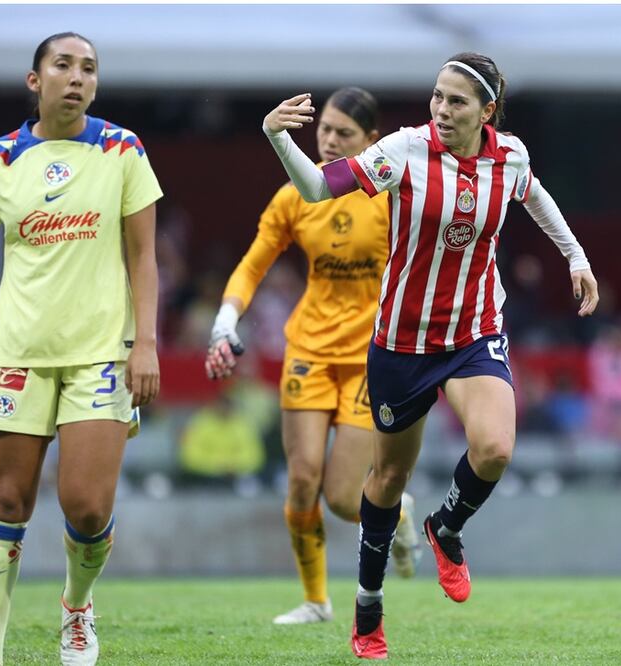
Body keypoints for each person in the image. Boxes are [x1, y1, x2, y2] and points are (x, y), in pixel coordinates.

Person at [261, 52, 600, 659]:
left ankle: (445, 528)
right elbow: (316, 189)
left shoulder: (510, 155)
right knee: (388, 478)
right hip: (402, 341)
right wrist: (277, 136)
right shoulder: (404, 150)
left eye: (457, 102)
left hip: (474, 332)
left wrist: (576, 257)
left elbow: (536, 196)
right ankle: (368, 608)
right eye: (437, 97)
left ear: (487, 111)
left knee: (495, 447)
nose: (441, 110)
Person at [0, 32, 162, 666]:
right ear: (35, 80)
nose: (77, 78)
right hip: (19, 353)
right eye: (63, 66)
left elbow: (144, 257)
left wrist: (147, 345)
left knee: (85, 506)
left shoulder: (122, 148)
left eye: (89, 69)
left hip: (102, 352)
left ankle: (77, 608)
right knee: (6, 503)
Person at [205, 87, 420, 626]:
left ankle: (399, 513)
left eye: (343, 134)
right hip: (308, 351)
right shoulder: (293, 197)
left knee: (345, 498)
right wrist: (225, 321)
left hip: (372, 357)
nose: (327, 140)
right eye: (324, 128)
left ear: (372, 142)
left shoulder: (392, 196)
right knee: (301, 480)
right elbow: (253, 265)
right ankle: (316, 600)